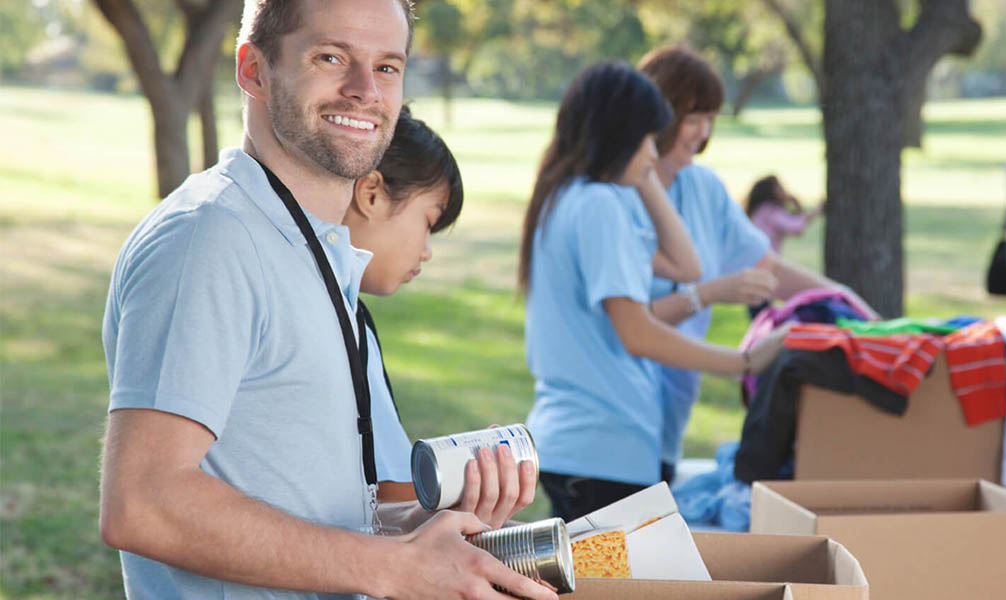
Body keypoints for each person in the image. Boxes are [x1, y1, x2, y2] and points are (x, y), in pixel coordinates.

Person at [99, 2, 555, 599]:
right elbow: (145, 503)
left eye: (388, 67)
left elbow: (307, 507)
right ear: (254, 70)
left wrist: (427, 533)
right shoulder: (210, 237)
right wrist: (397, 569)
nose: (366, 90)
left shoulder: (314, 249)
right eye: (331, 57)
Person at [518, 62, 789, 522]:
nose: (653, 152)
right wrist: (744, 361)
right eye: (646, 139)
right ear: (619, 135)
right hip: (603, 449)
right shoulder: (599, 206)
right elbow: (638, 333)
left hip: (583, 448)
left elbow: (688, 266)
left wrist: (642, 174)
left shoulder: (568, 196)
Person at [636, 46, 878, 472]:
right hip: (619, 419)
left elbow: (768, 267)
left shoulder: (704, 189)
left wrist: (847, 302)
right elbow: (628, 324)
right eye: (693, 118)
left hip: (670, 415)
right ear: (657, 114)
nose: (703, 133)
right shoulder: (613, 199)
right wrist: (710, 293)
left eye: (710, 118)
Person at [344, 106, 536, 523]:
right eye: (428, 222)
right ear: (371, 194)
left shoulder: (353, 319)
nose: (427, 250)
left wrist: (463, 488)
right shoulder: (321, 318)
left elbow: (386, 496)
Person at [745, 174, 823, 254]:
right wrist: (817, 210)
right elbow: (795, 227)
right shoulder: (770, 211)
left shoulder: (761, 209)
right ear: (772, 191)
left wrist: (796, 205)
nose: (784, 190)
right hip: (763, 260)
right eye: (780, 187)